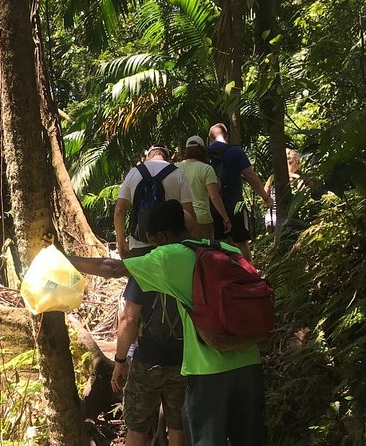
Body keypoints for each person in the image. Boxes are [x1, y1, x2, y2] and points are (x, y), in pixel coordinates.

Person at [68, 200, 266, 446]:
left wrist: (63, 257)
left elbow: (110, 268)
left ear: (162, 236)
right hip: (249, 361)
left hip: (209, 371)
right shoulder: (225, 249)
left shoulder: (168, 256)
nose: (154, 247)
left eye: (154, 241)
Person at [113, 143, 196, 446]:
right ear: (168, 156)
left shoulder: (134, 173)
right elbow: (189, 215)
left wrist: (123, 247)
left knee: (137, 423)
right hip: (183, 356)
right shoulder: (178, 174)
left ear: (147, 157)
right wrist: (192, 245)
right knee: (179, 422)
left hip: (148, 356)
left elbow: (120, 210)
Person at [207, 124, 273, 262]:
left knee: (218, 242)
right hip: (236, 204)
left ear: (210, 139)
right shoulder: (235, 151)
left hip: (213, 206)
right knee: (241, 241)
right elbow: (250, 176)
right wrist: (265, 197)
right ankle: (248, 272)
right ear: (227, 136)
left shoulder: (205, 154)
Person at [176, 135, 232, 239]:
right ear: (203, 150)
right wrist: (225, 218)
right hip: (202, 219)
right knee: (205, 252)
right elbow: (214, 196)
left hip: (181, 218)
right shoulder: (206, 169)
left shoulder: (175, 168)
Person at [264, 148, 301, 232]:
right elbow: (304, 194)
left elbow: (263, 197)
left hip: (270, 219)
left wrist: (271, 202)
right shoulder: (296, 178)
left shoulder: (273, 177)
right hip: (286, 220)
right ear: (294, 162)